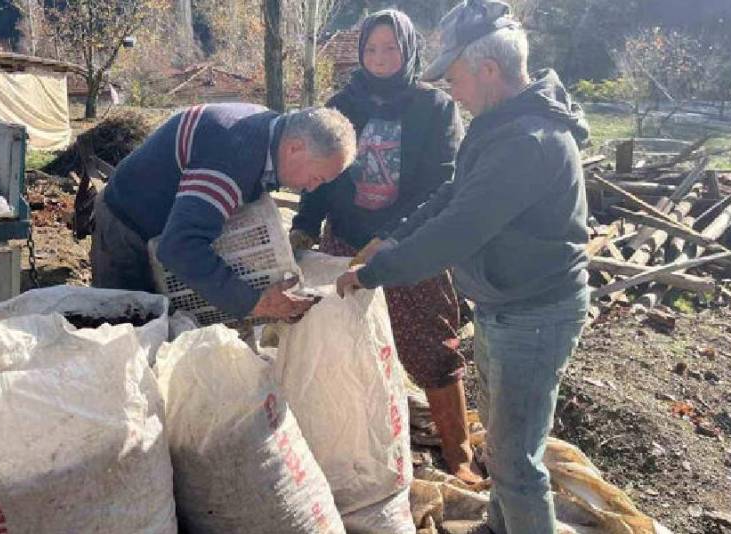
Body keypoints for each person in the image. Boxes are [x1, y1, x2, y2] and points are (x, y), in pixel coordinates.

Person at [335, 1, 591, 532]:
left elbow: (458, 230)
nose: (452, 89)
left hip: (534, 315)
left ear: (489, 70)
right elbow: (453, 193)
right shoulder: (499, 122)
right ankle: (501, 525)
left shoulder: (527, 142)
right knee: (502, 449)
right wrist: (391, 235)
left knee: (518, 463)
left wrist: (374, 272)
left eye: (454, 77)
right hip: (505, 305)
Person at [288, 9, 479, 484]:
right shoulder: (341, 104)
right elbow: (320, 175)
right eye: (371, 49)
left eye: (390, 49)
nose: (379, 58)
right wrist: (304, 226)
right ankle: (356, 442)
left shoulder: (434, 108)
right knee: (347, 345)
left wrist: (391, 237)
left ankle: (459, 456)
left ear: (408, 51)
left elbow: (440, 184)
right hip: (344, 243)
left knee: (433, 345)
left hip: (411, 246)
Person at [92, 103, 356, 321]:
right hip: (127, 226)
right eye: (317, 178)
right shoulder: (233, 155)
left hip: (165, 222)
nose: (311, 188)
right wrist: (255, 303)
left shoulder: (270, 133)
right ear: (295, 148)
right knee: (129, 328)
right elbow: (180, 246)